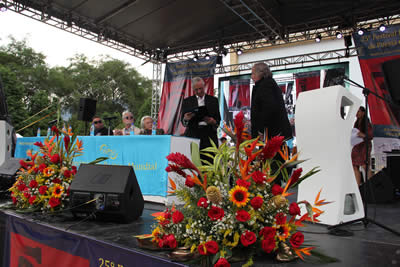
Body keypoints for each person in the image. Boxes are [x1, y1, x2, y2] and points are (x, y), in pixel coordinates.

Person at [181, 77, 221, 162]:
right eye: (196, 90)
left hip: (209, 135)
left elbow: (218, 119)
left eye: (200, 89)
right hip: (193, 135)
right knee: (193, 163)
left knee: (210, 163)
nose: (199, 91)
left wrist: (213, 122)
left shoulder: (213, 100)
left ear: (204, 86)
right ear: (193, 89)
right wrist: (186, 118)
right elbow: (183, 121)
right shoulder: (187, 101)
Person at [250, 62, 292, 140]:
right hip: (272, 132)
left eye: (253, 73)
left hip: (271, 133)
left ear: (260, 73)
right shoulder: (267, 84)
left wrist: (262, 130)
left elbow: (269, 109)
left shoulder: (265, 86)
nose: (251, 76)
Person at [352, 106, 373, 185]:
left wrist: (362, 135)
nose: (356, 114)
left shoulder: (367, 123)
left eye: (358, 111)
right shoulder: (356, 123)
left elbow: (371, 135)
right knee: (355, 165)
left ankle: (370, 184)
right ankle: (358, 185)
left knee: (365, 165)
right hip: (357, 146)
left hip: (364, 146)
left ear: (363, 112)